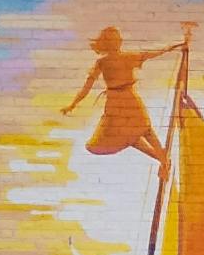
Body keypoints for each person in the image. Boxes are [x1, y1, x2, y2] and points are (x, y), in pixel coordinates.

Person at [63, 26, 183, 162]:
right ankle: (162, 159)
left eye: (117, 39)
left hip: (129, 99)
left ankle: (162, 159)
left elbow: (152, 53)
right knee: (129, 135)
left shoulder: (128, 57)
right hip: (115, 103)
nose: (117, 42)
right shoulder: (102, 62)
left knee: (144, 130)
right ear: (108, 43)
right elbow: (87, 86)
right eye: (113, 40)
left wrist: (173, 46)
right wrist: (73, 104)